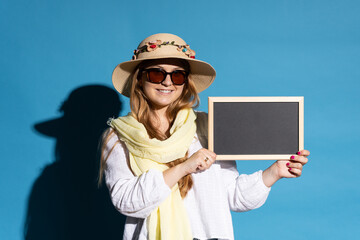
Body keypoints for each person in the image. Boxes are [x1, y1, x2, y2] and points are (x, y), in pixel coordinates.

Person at [98, 33, 310, 240]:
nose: (167, 82)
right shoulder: (119, 136)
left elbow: (233, 196)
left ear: (185, 82)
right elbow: (126, 201)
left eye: (177, 75)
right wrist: (184, 167)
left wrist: (274, 172)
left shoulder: (207, 125)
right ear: (140, 79)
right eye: (156, 73)